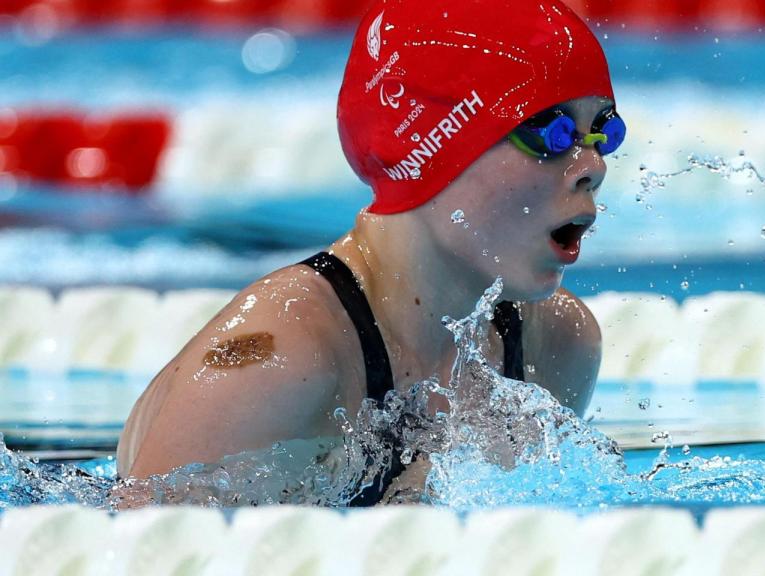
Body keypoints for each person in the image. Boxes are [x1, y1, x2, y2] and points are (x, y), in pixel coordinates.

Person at [116, 0, 625, 505]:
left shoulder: (556, 345)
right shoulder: (279, 362)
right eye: (549, 132)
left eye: (603, 130)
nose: (593, 166)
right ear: (436, 146)